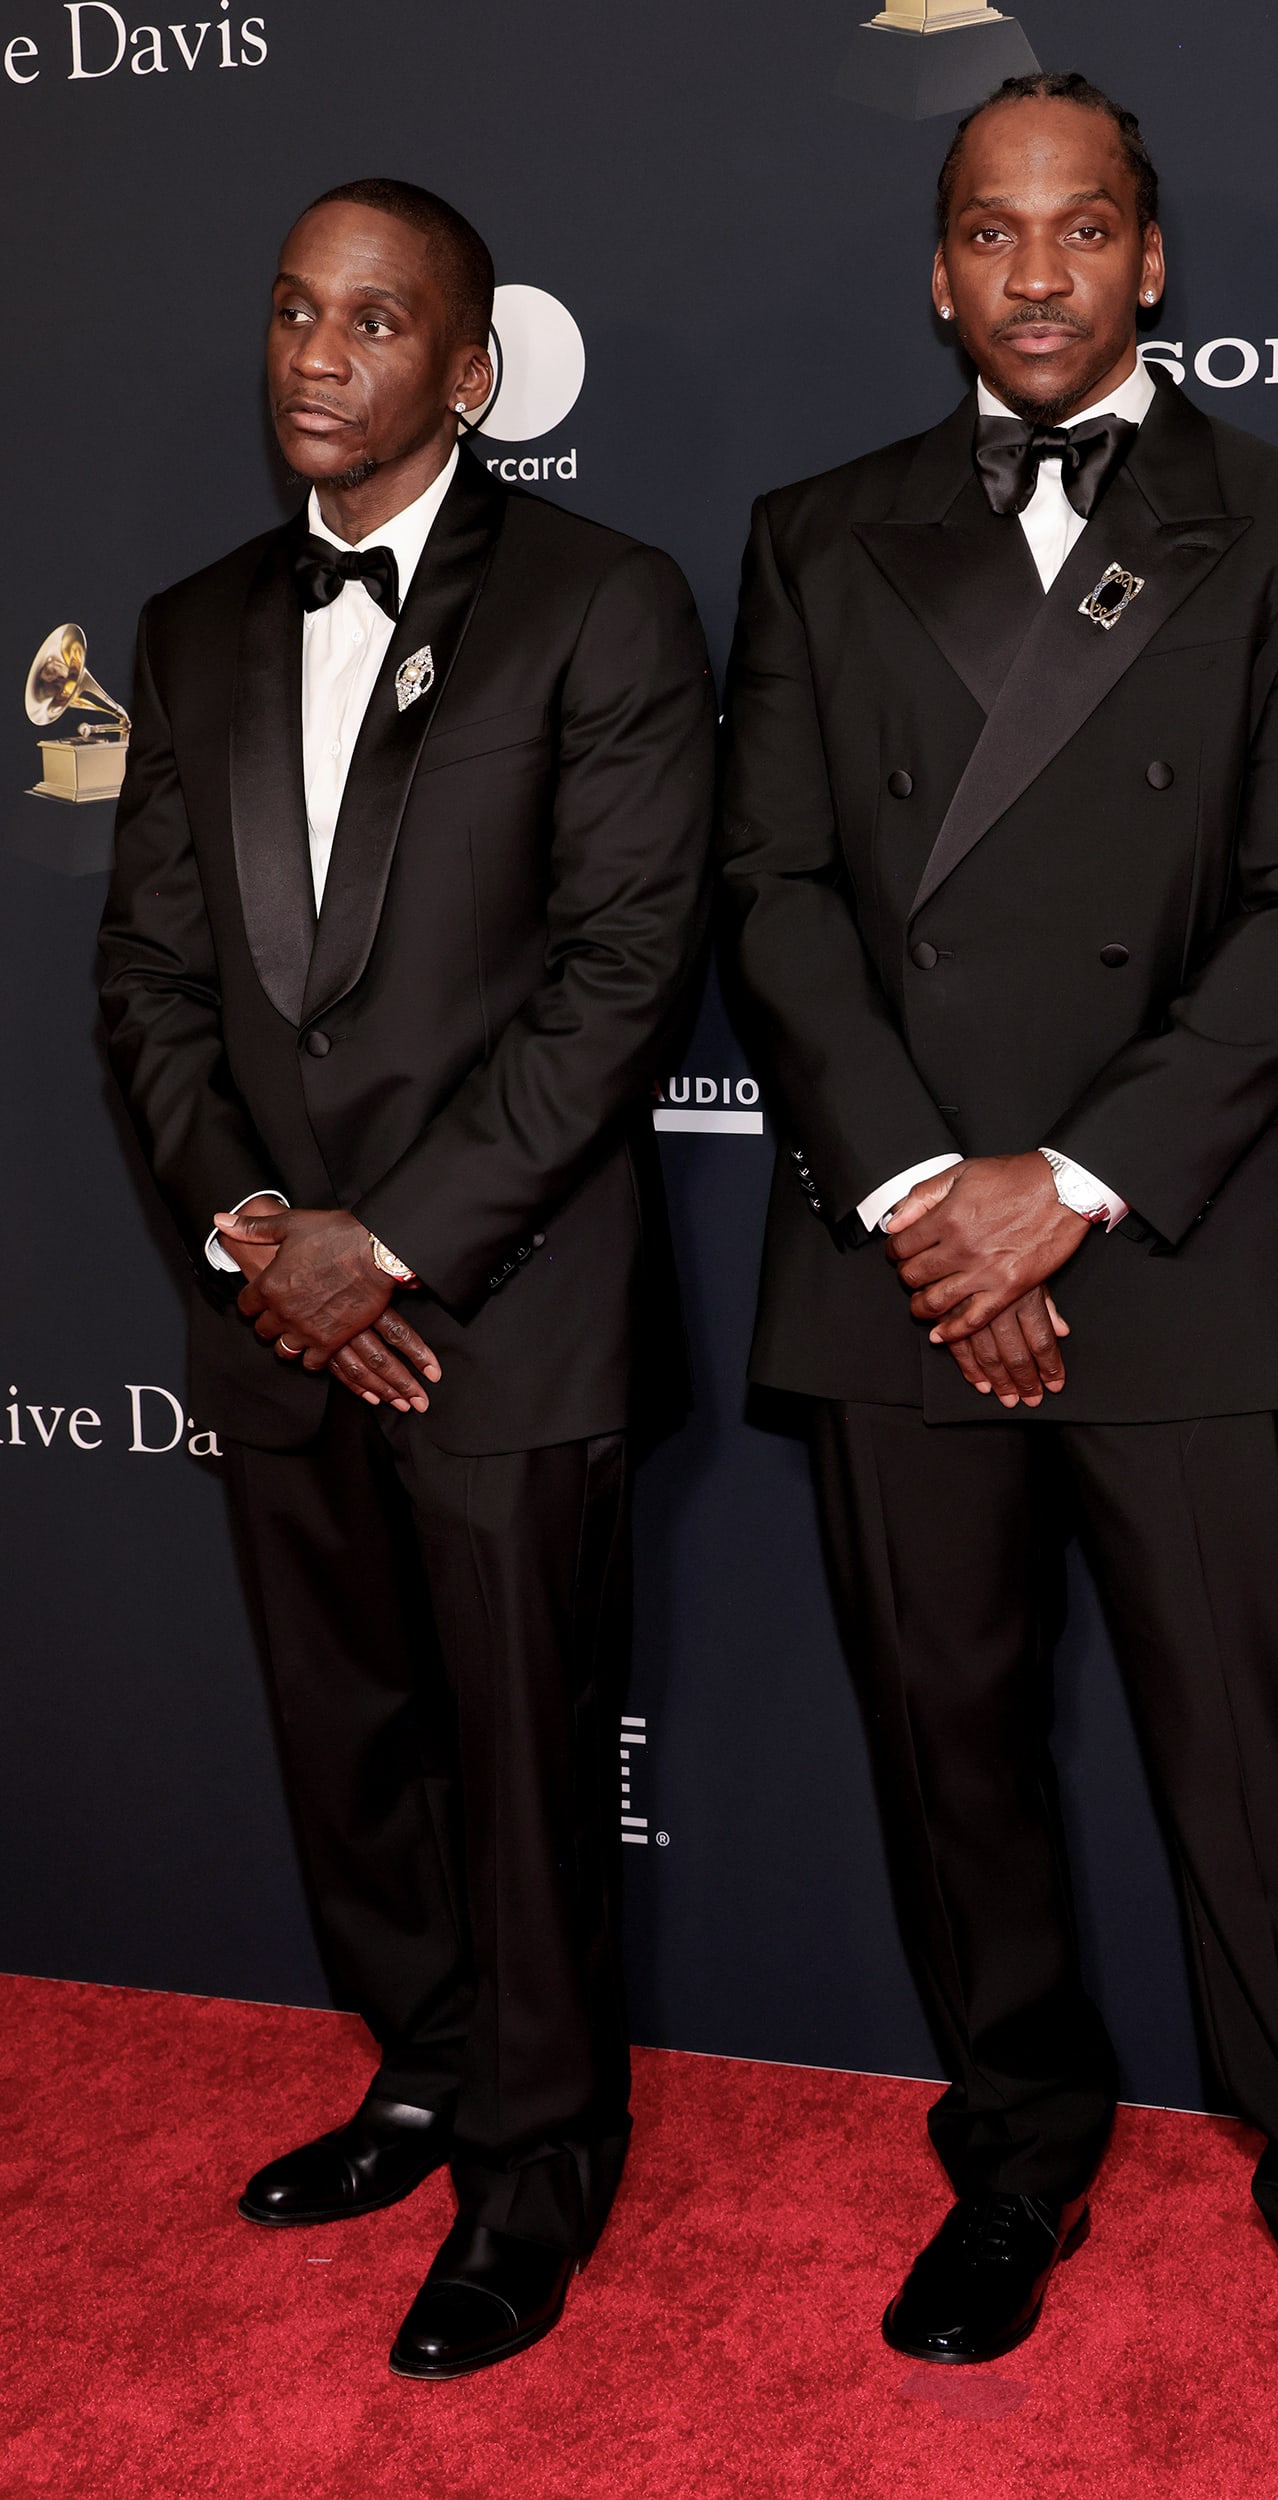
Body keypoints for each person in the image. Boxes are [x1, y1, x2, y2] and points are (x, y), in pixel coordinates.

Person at [720, 73, 1278, 2462]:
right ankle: (1014, 2157)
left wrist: (1074, 1186)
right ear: (940, 273)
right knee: (952, 1755)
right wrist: (938, 1192)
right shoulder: (814, 535)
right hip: (898, 1245)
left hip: (1171, 1236)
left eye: (1082, 228)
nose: (1034, 273)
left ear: (1152, 260)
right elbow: (780, 898)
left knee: (1257, 1768)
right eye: (988, 233)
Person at [98, 178, 713, 2380]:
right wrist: (258, 1234)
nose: (315, 354)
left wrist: (400, 1240)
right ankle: (428, 2063)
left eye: (373, 321)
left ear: (469, 371)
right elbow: (155, 980)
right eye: (289, 310)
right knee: (350, 1738)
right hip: (275, 1305)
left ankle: (542, 2155)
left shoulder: (604, 603)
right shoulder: (181, 630)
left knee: (528, 1756)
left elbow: (630, 967)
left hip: (504, 1303)